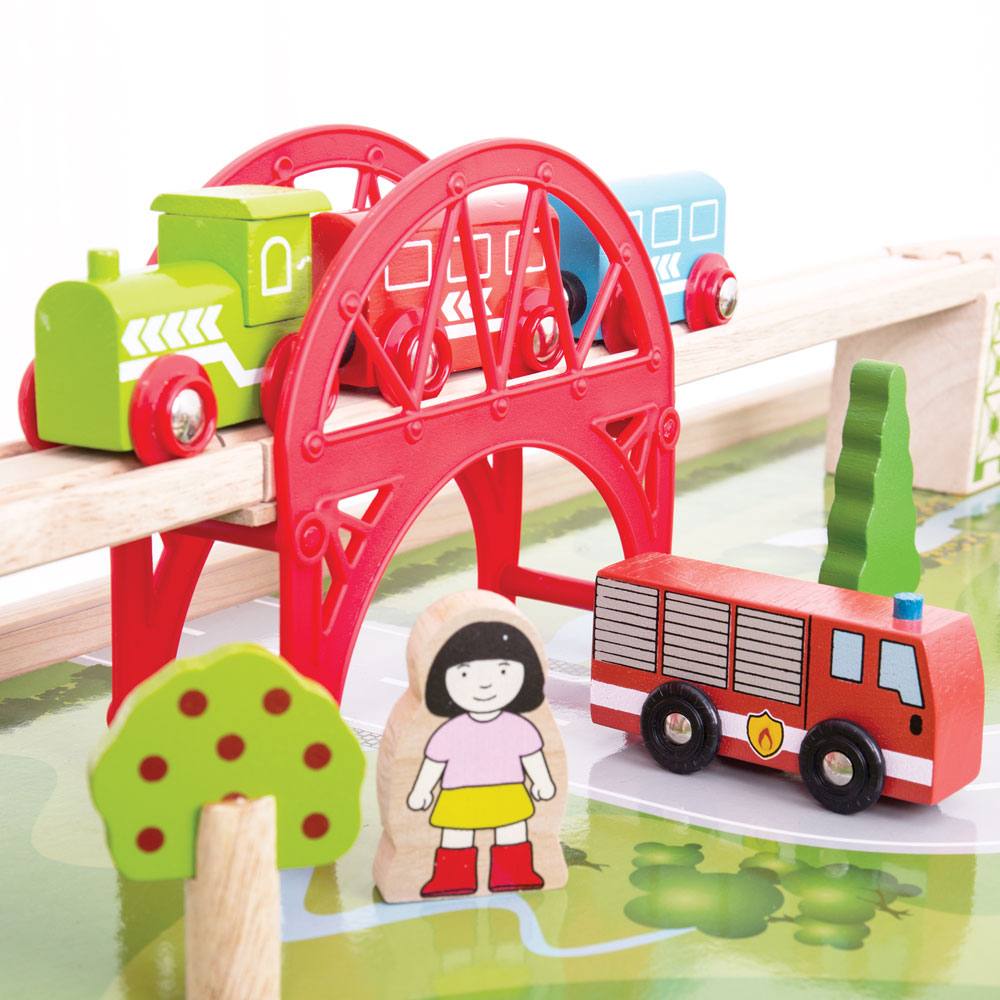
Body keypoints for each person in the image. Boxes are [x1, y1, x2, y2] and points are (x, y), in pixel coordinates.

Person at [406, 620, 557, 897]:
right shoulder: (449, 731)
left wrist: (543, 782)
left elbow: (533, 757)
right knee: (456, 835)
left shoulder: (519, 727)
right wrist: (421, 790)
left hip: (507, 792)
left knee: (512, 831)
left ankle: (514, 873)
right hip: (459, 796)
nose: (485, 683)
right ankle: (452, 878)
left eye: (503, 670)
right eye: (465, 673)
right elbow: (432, 763)